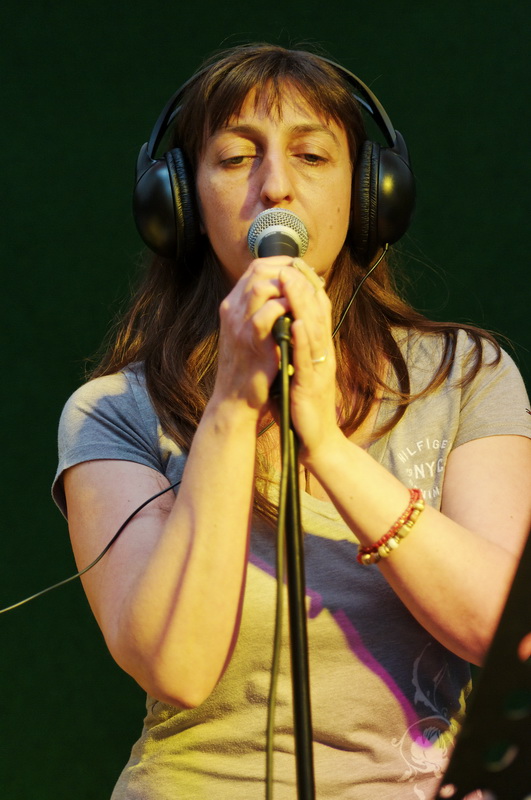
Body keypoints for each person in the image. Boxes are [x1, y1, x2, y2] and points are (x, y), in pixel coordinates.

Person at [52, 43, 531, 800]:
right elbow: (177, 666)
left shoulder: (465, 375)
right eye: (236, 159)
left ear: (370, 194)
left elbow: (505, 634)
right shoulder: (114, 412)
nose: (275, 186)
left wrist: (328, 448)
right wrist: (232, 405)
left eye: (312, 156)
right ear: (178, 202)